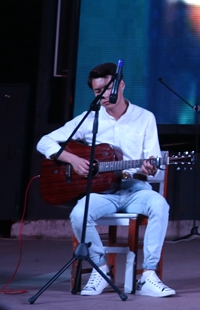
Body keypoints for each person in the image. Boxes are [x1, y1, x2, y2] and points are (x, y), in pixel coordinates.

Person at [36, 63, 175, 297]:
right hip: (102, 192)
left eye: (108, 89)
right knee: (79, 215)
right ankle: (101, 270)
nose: (103, 95)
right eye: (97, 92)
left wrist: (150, 167)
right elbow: (44, 142)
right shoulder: (89, 119)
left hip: (135, 189)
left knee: (160, 205)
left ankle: (148, 275)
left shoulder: (144, 118)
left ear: (121, 85)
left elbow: (152, 161)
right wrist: (73, 160)